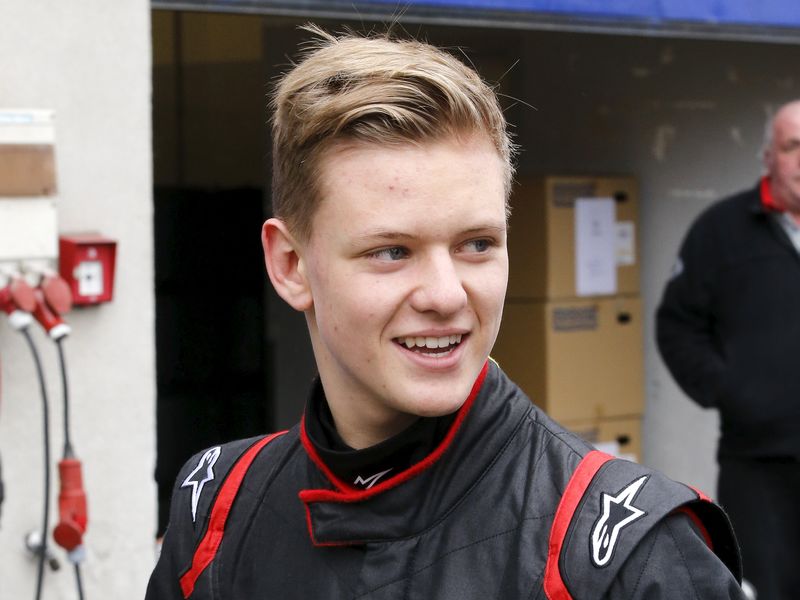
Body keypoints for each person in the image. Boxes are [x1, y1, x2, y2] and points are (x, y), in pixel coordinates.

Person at [147, 27, 744, 599]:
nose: (447, 294)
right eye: (391, 252)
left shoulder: (628, 553)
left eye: (476, 244)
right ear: (291, 265)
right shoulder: (215, 510)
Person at [656, 99, 800, 600]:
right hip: (756, 466)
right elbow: (676, 325)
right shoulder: (722, 230)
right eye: (792, 146)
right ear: (767, 157)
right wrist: (732, 390)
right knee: (764, 590)